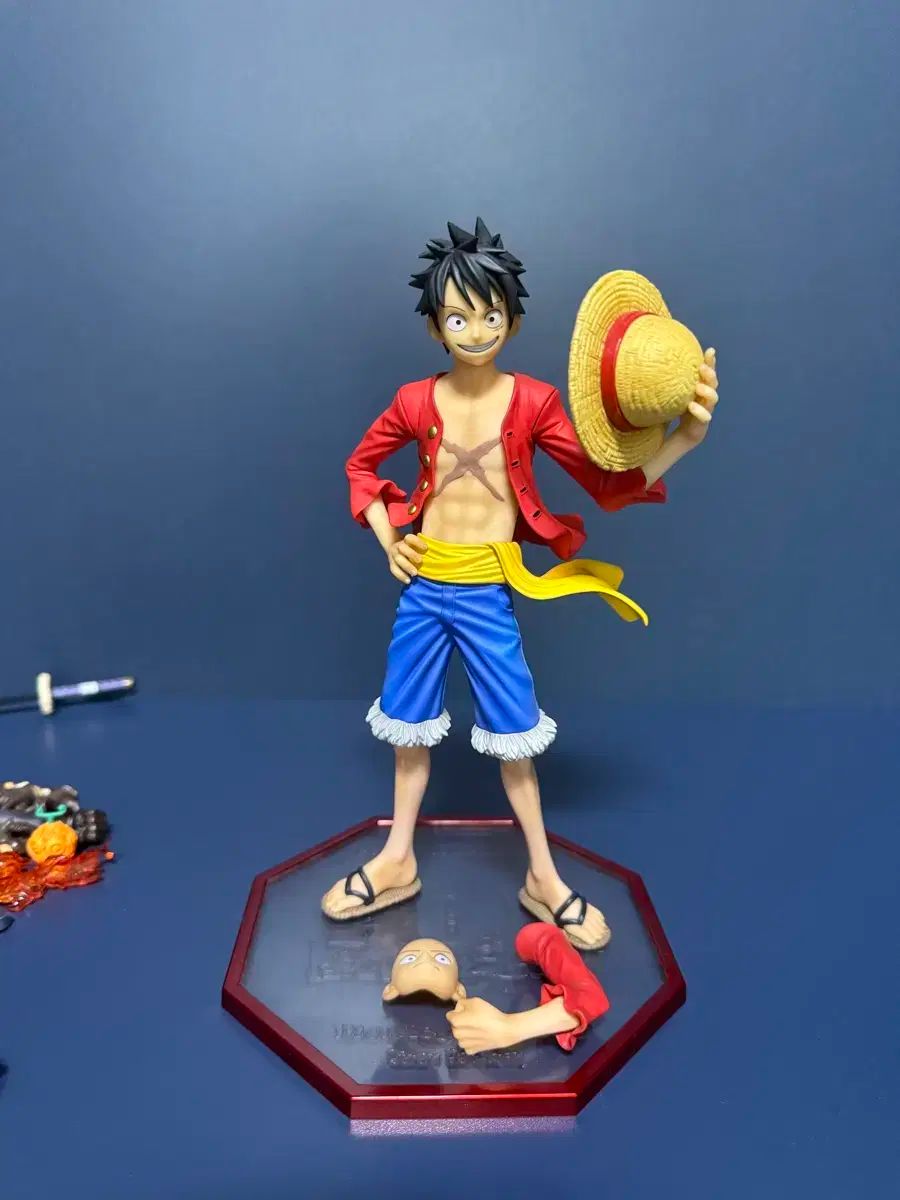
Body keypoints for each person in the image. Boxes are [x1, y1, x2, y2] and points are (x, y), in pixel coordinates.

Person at [322, 219, 718, 948]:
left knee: (516, 737)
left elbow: (609, 485)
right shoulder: (415, 401)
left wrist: (685, 439)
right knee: (407, 728)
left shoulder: (533, 402)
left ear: (514, 319)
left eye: (491, 315)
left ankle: (543, 874)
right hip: (425, 590)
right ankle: (398, 857)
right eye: (458, 318)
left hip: (487, 592)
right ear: (435, 327)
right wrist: (390, 543)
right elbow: (359, 467)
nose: (476, 331)